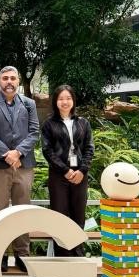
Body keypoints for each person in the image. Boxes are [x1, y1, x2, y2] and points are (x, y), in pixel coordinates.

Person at [0, 65, 39, 268]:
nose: (9, 82)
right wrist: (8, 154)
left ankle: (22, 254)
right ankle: (1, 253)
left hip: (24, 165)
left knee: (22, 210)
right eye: (5, 78)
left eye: (13, 78)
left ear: (18, 81)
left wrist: (18, 152)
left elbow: (34, 132)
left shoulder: (29, 104)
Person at [40, 84, 95, 257]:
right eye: (61, 99)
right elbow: (47, 150)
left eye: (68, 98)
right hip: (58, 175)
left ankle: (78, 254)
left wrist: (82, 170)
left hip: (80, 175)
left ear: (73, 101)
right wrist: (64, 170)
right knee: (60, 215)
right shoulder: (49, 124)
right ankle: (63, 256)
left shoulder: (83, 123)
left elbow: (89, 148)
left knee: (78, 214)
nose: (65, 102)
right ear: (55, 102)